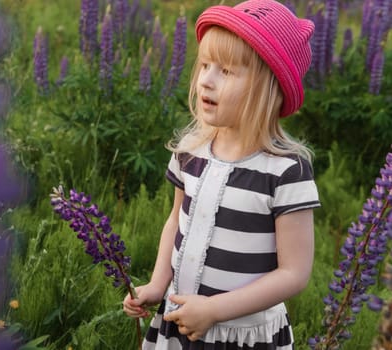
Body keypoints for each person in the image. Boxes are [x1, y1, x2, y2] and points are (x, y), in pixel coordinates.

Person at [122, 0, 321, 349]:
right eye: (204, 66)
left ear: (267, 88)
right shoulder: (190, 151)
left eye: (226, 71)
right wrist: (157, 284)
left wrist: (215, 309)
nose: (206, 81)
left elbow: (294, 273)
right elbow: (176, 222)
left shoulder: (286, 171)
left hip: (241, 336)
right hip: (181, 319)